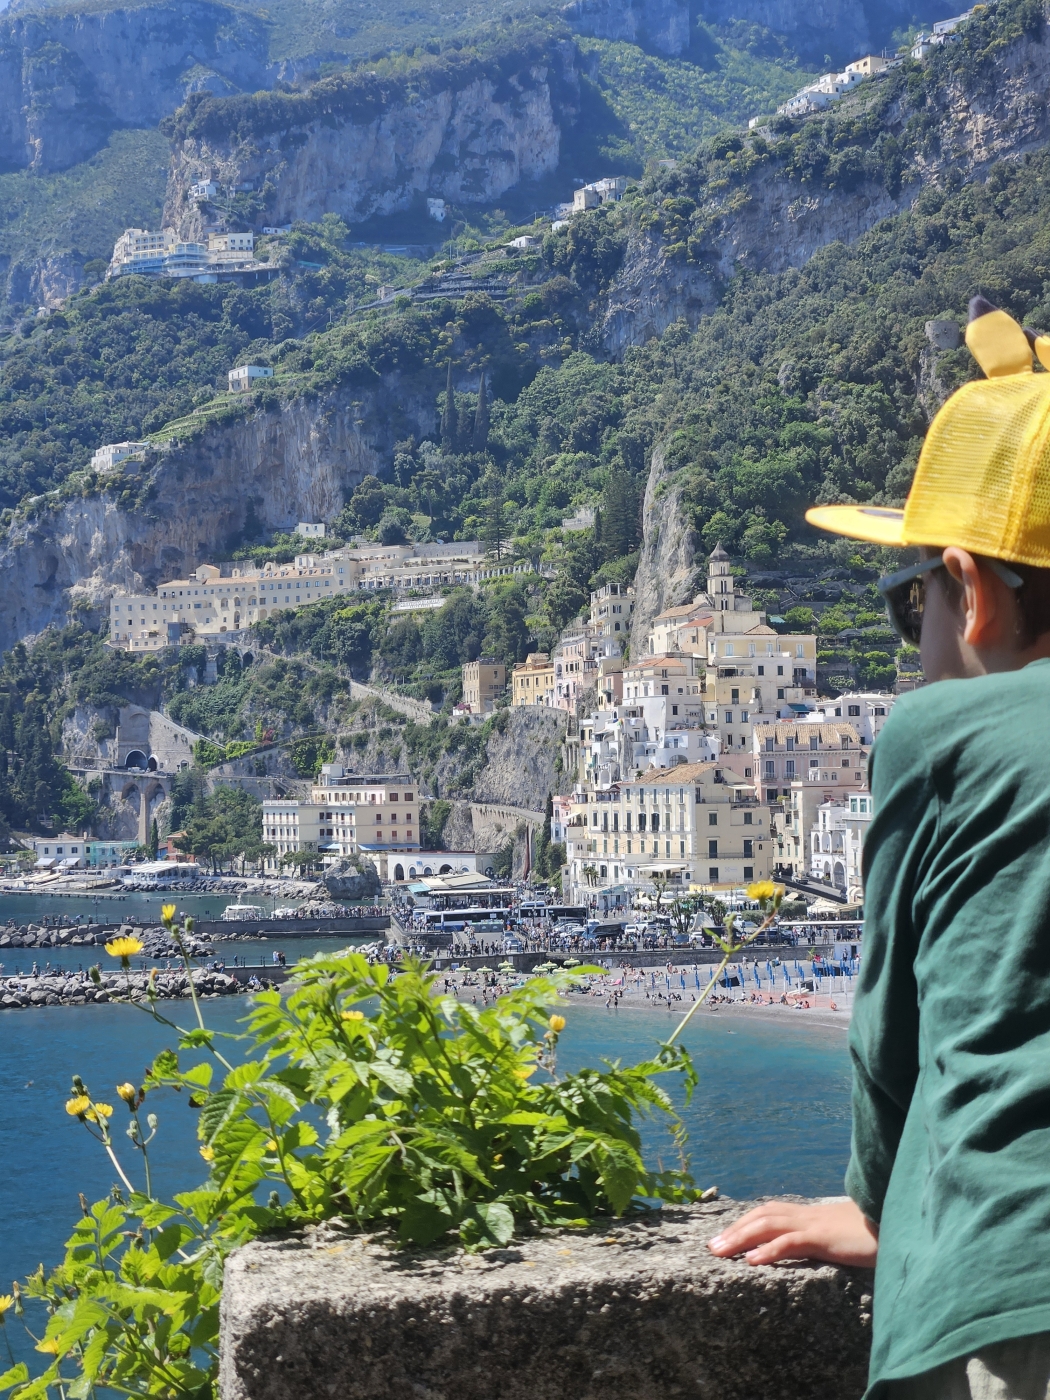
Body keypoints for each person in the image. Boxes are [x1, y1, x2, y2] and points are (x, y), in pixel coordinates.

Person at [708, 297, 1050, 1398]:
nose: (916, 647)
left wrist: (869, 1198)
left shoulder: (938, 732)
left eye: (913, 609)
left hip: (1016, 1268)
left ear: (969, 589)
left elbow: (886, 1026)